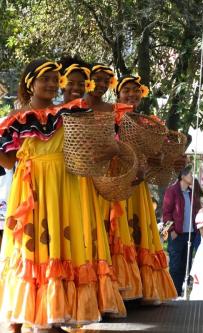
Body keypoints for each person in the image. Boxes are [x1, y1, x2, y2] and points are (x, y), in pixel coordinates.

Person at [0, 59, 107, 332]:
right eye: (44, 78)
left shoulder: (68, 112)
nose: (50, 84)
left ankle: (55, 312)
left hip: (63, 185)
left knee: (60, 243)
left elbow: (91, 141)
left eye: (53, 79)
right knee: (32, 246)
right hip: (32, 186)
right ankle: (25, 314)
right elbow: (8, 162)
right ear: (30, 83)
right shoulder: (16, 119)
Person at [115, 74, 178, 303]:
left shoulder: (150, 123)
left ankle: (139, 288)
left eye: (136, 90)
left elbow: (158, 156)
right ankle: (120, 288)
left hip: (138, 185)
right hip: (117, 182)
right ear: (118, 94)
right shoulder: (111, 118)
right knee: (118, 232)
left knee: (138, 232)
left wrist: (165, 158)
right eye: (126, 90)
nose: (131, 94)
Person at [163, 165, 201, 296]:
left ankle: (181, 293)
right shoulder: (171, 191)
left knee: (187, 265)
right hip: (176, 235)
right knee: (175, 265)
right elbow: (166, 214)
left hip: (190, 234)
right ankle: (173, 293)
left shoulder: (192, 193)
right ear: (183, 176)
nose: (192, 177)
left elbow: (196, 210)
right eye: (190, 175)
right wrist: (171, 231)